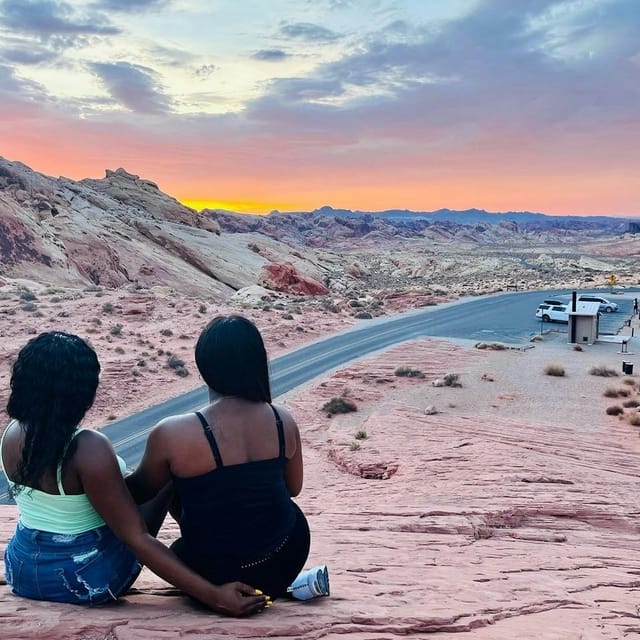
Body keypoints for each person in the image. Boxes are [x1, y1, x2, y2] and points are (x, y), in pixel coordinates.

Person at [1, 331, 268, 615]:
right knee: (170, 468)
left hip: (24, 570)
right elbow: (137, 538)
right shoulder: (88, 448)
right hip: (83, 580)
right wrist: (214, 595)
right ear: (81, 392)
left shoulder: (11, 433)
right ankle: (207, 554)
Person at [126, 315, 329, 601]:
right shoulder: (282, 420)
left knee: (173, 477)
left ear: (204, 366)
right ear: (257, 363)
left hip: (212, 573)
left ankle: (121, 565)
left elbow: (138, 492)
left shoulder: (172, 433)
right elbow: (293, 488)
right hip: (285, 558)